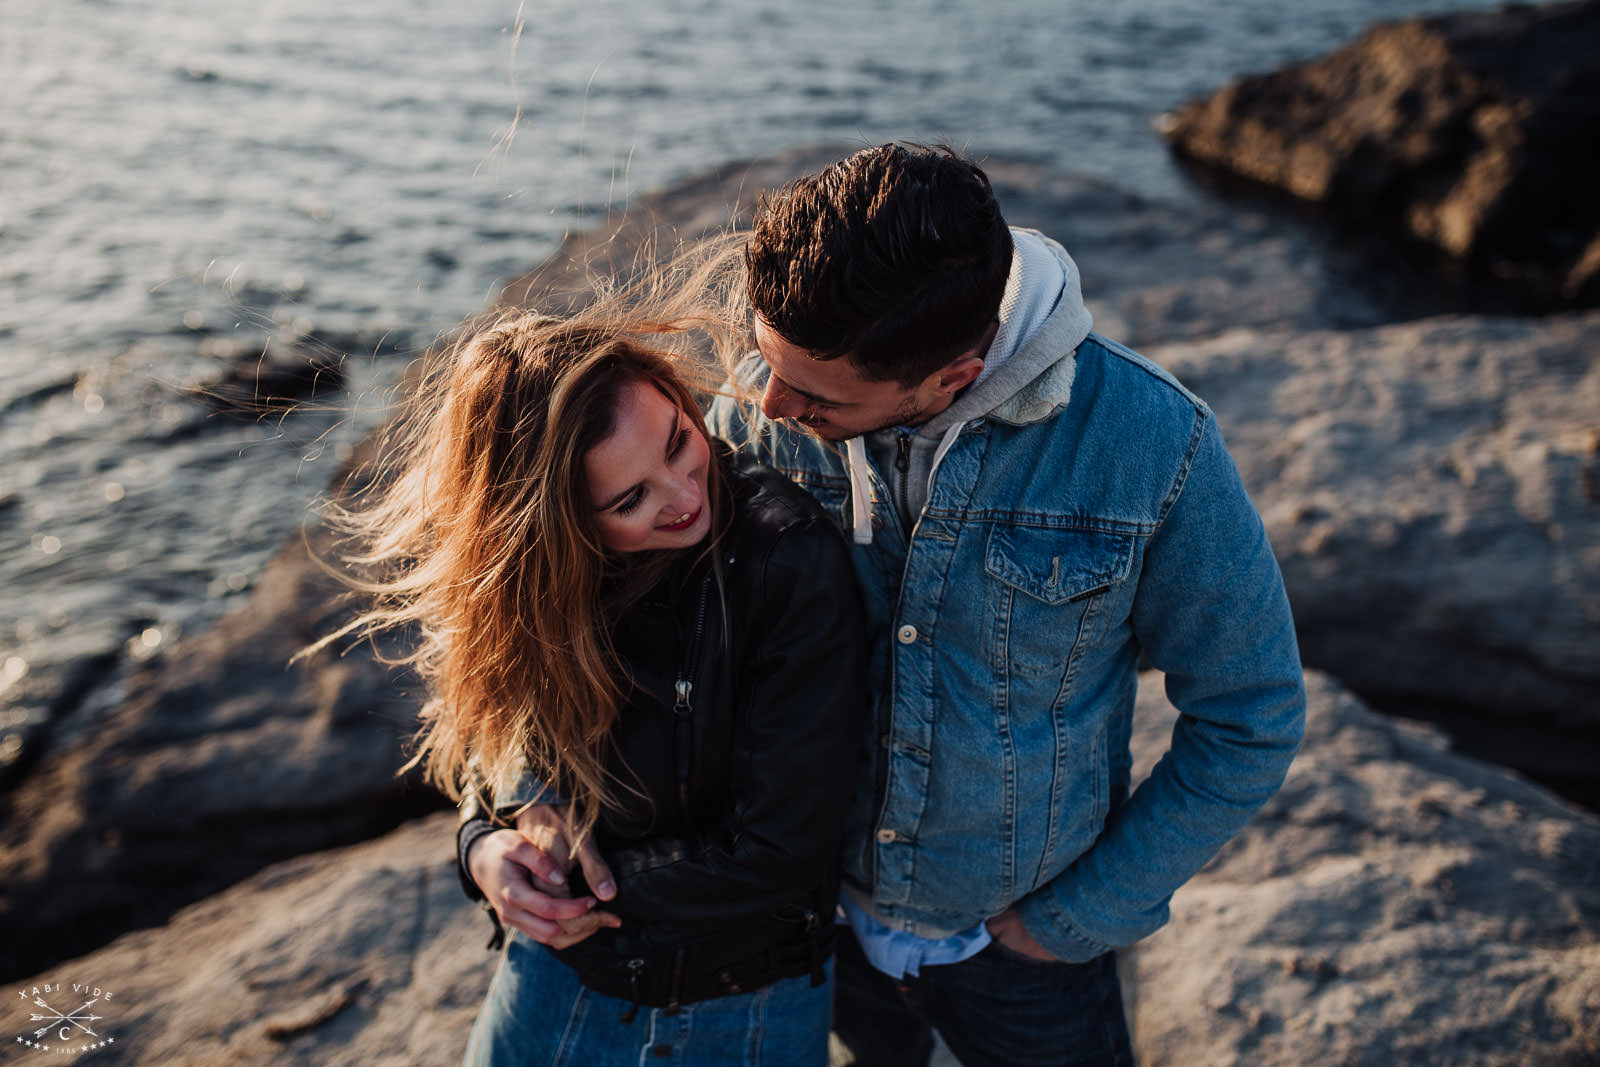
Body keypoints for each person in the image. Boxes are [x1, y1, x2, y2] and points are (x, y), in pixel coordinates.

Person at [500, 143, 1307, 1066]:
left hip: (1014, 953)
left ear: (947, 381)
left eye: (814, 394)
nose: (765, 401)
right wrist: (525, 802)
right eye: (768, 359)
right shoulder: (762, 408)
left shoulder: (1155, 448)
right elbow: (581, 608)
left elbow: (1251, 714)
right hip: (811, 931)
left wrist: (1079, 915)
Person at [320, 299, 868, 1066]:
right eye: (629, 499)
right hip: (551, 984)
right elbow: (503, 738)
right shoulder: (534, 585)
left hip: (738, 1004)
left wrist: (574, 883)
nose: (684, 495)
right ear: (558, 523)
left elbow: (780, 848)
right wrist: (487, 849)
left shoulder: (788, 558)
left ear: (675, 392)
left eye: (681, 440)